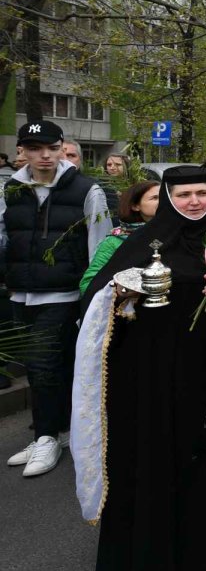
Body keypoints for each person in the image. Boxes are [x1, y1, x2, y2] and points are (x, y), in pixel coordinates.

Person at [71, 166, 206, 571]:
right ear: (168, 197)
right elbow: (100, 297)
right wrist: (125, 290)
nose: (194, 201)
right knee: (160, 451)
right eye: (183, 195)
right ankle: (157, 559)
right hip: (153, 375)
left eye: (201, 193)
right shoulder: (141, 241)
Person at [1, 120, 112, 477]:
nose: (44, 156)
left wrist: (93, 299)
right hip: (20, 292)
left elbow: (101, 248)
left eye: (51, 148)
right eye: (35, 149)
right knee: (45, 366)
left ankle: (47, 436)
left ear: (62, 146)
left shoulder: (86, 189)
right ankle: (59, 431)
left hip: (63, 294)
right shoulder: (11, 190)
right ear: (23, 151)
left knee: (44, 365)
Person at [79, 180, 160, 294]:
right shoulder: (115, 241)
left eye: (165, 198)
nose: (162, 202)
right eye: (155, 198)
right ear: (135, 206)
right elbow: (88, 284)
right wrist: (120, 291)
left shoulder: (178, 232)